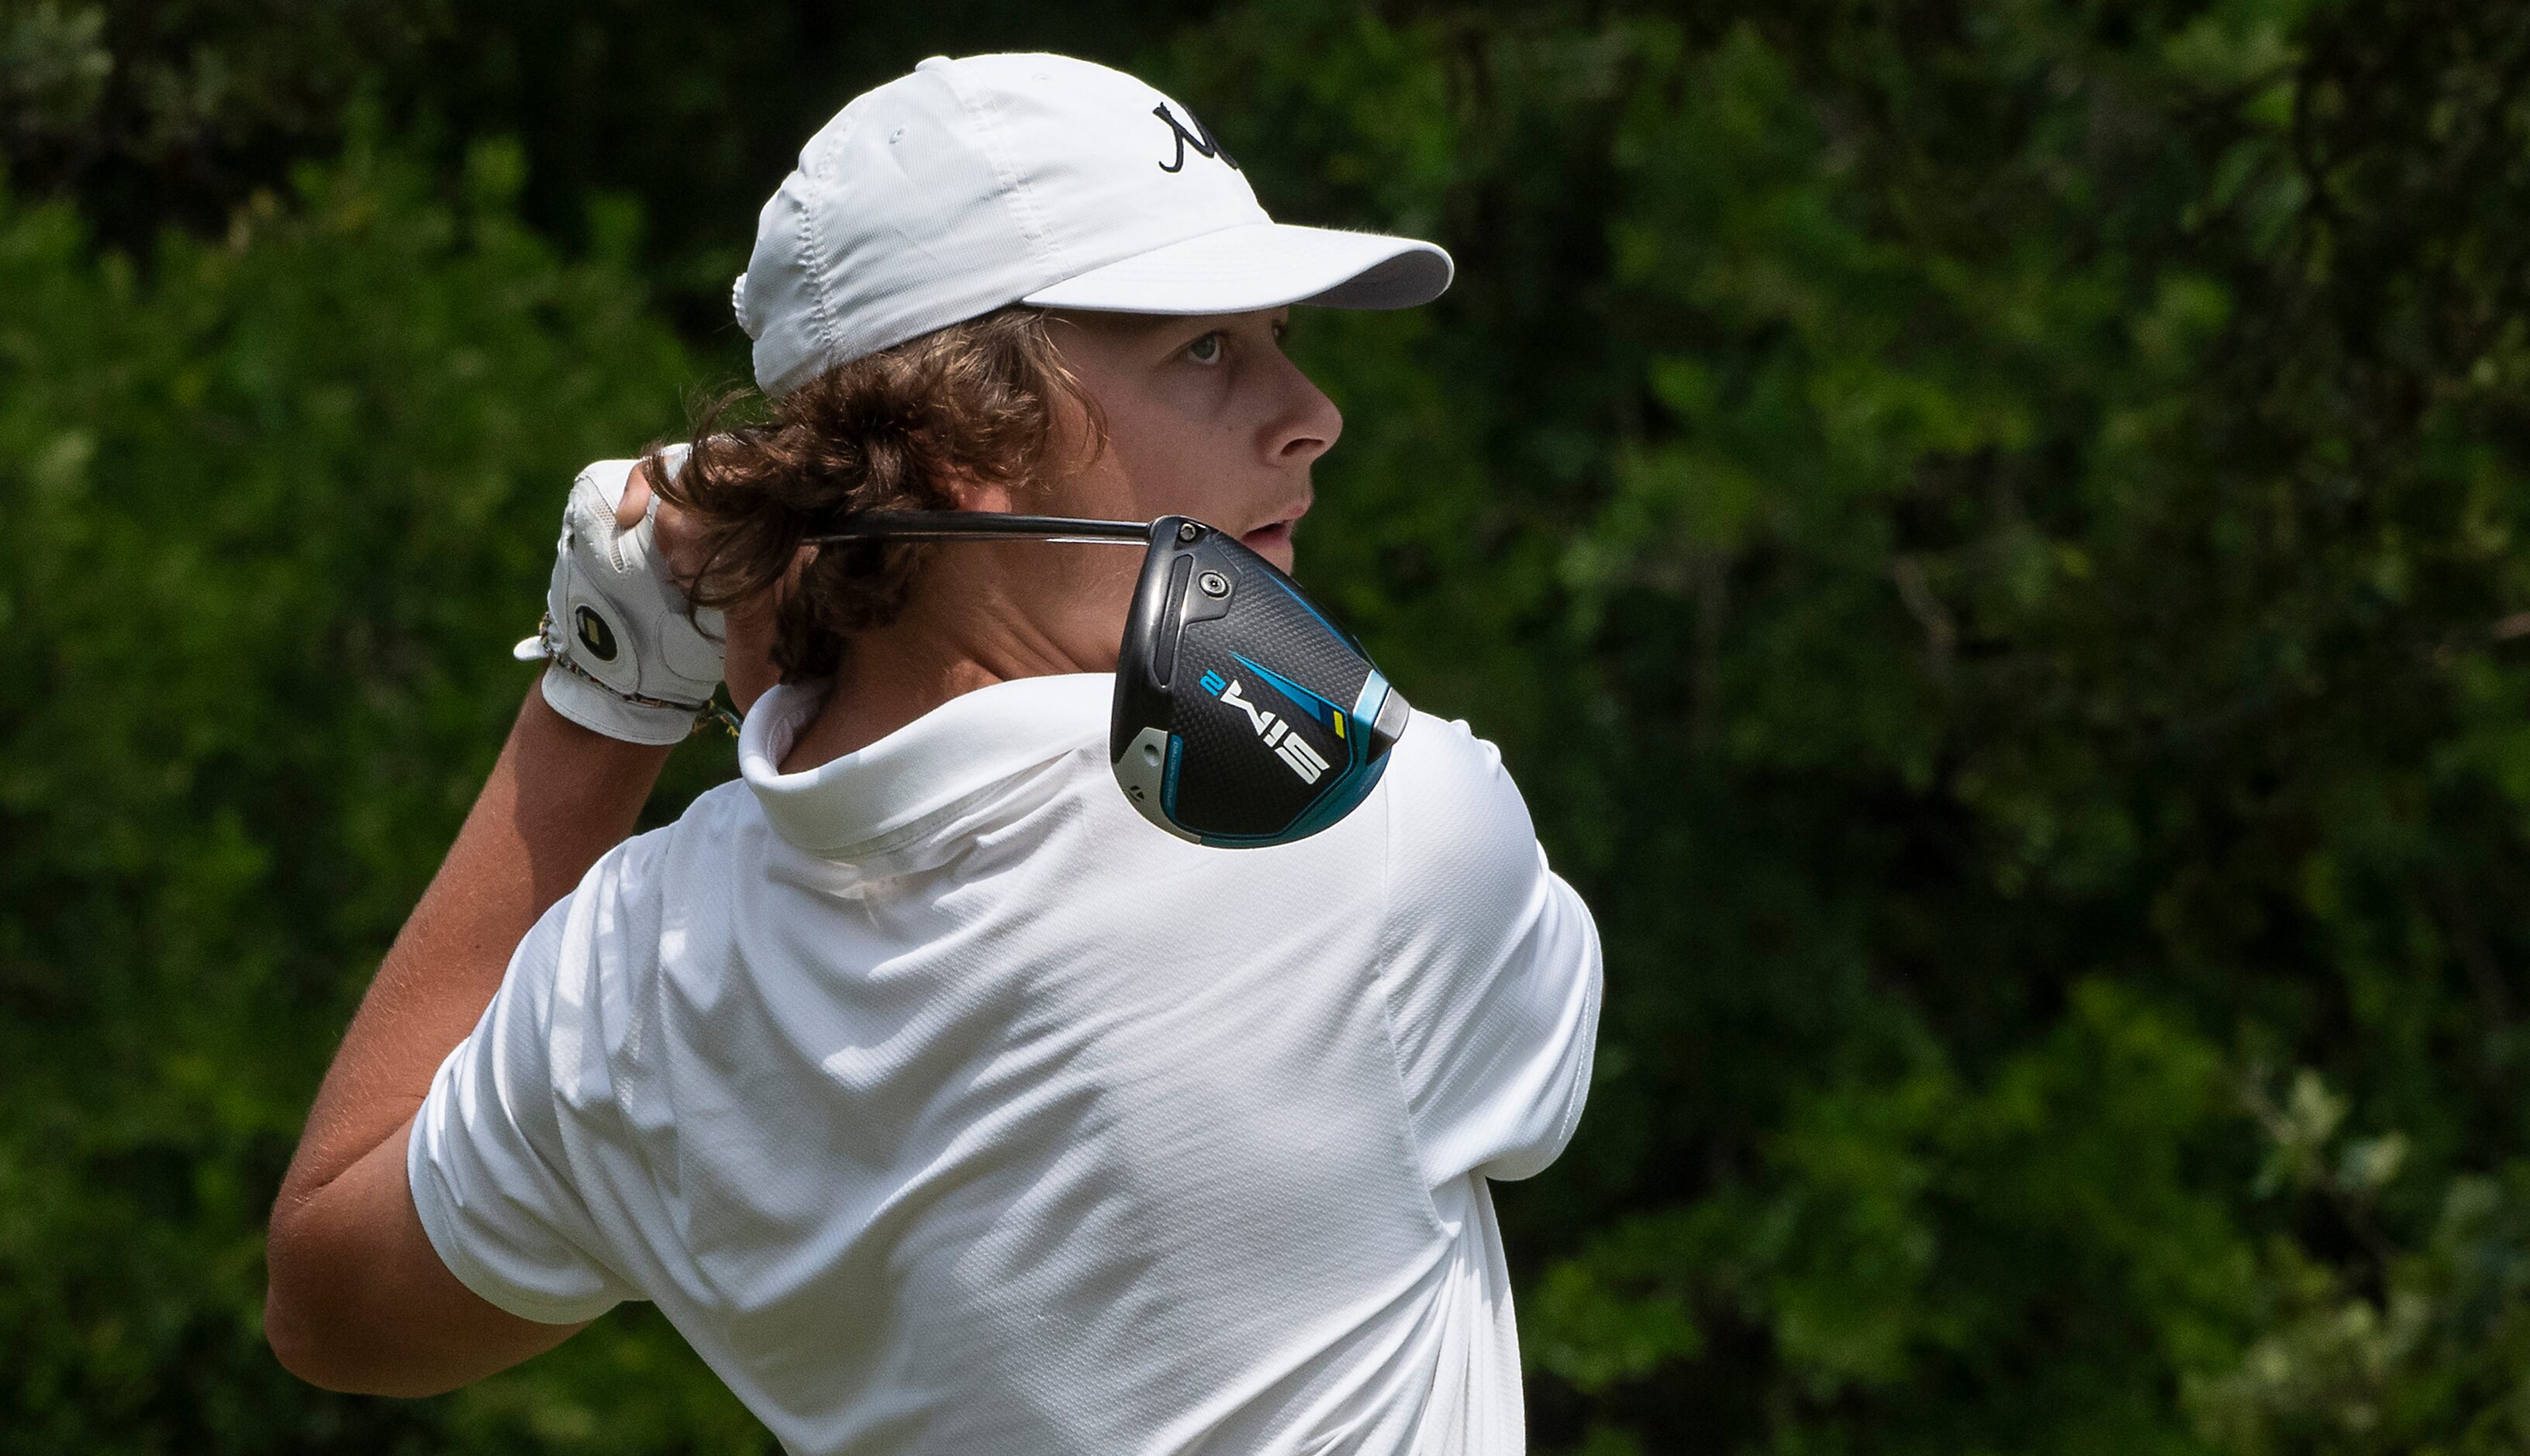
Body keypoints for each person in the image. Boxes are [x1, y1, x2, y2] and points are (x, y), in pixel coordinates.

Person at [263, 53, 1602, 1454]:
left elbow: (333, 1297)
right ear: (974, 438)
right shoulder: (1376, 835)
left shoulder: (637, 980)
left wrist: (609, 687)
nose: (1312, 410)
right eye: (1204, 349)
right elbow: (1538, 1070)